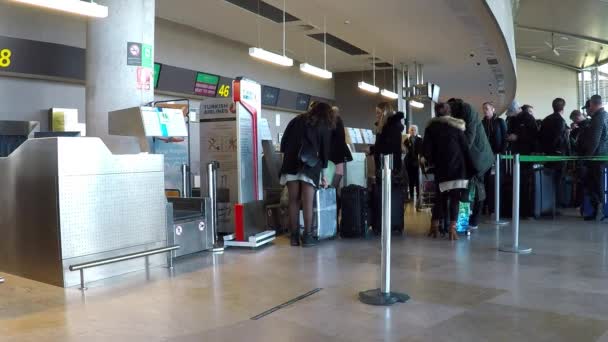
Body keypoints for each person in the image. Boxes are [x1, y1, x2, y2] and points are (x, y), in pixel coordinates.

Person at [280, 102, 335, 247]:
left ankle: (294, 237)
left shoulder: (295, 120)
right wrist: (324, 174)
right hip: (309, 166)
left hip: (290, 164)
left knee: (293, 201)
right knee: (307, 202)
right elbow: (324, 151)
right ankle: (308, 236)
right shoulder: (323, 124)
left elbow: (283, 144)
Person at [423, 102, 473, 240]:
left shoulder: (431, 128)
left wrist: (433, 160)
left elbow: (426, 151)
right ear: (449, 112)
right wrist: (471, 167)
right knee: (456, 198)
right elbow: (465, 148)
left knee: (440, 198)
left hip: (441, 168)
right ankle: (452, 230)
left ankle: (435, 227)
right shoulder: (457, 127)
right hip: (458, 168)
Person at [448, 99, 494, 231]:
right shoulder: (462, 114)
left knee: (472, 190)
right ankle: (467, 222)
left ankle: (467, 223)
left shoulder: (469, 112)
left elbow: (469, 138)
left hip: (479, 158)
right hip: (473, 157)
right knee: (472, 189)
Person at [506, 102, 538, 218]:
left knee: (524, 184)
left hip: (526, 155)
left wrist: (517, 137)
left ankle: (525, 211)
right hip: (517, 155)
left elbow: (533, 137)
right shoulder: (515, 119)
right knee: (518, 183)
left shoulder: (528, 119)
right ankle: (518, 209)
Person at [539, 98, 570, 209]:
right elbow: (560, 138)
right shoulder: (560, 121)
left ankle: (548, 203)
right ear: (563, 108)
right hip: (558, 155)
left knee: (548, 180)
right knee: (558, 181)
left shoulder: (546, 120)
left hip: (547, 155)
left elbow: (541, 137)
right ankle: (557, 204)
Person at [580, 95, 608, 220]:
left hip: (597, 158)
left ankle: (600, 212)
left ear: (592, 104)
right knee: (601, 186)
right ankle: (601, 212)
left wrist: (587, 158)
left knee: (597, 186)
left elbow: (594, 140)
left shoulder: (598, 117)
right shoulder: (605, 116)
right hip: (603, 157)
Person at [481, 102, 507, 214]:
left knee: (494, 182)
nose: (485, 111)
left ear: (493, 109)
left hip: (497, 155)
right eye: (484, 109)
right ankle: (484, 206)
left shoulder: (500, 122)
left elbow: (505, 138)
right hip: (485, 156)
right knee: (485, 181)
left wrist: (502, 153)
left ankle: (494, 208)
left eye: (487, 108)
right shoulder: (482, 123)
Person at [371, 102, 405, 184]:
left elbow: (387, 146)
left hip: (389, 166)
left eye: (378, 113)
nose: (377, 115)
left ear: (385, 113)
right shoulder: (386, 126)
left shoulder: (390, 127)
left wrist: (372, 149)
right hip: (386, 165)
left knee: (387, 192)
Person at [404, 125, 423, 201]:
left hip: (417, 162)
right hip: (409, 162)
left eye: (414, 130)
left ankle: (418, 195)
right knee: (410, 179)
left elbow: (421, 151)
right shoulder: (406, 140)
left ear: (417, 131)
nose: (413, 131)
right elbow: (405, 151)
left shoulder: (420, 139)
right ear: (409, 131)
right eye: (411, 130)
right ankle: (411, 196)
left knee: (418, 179)